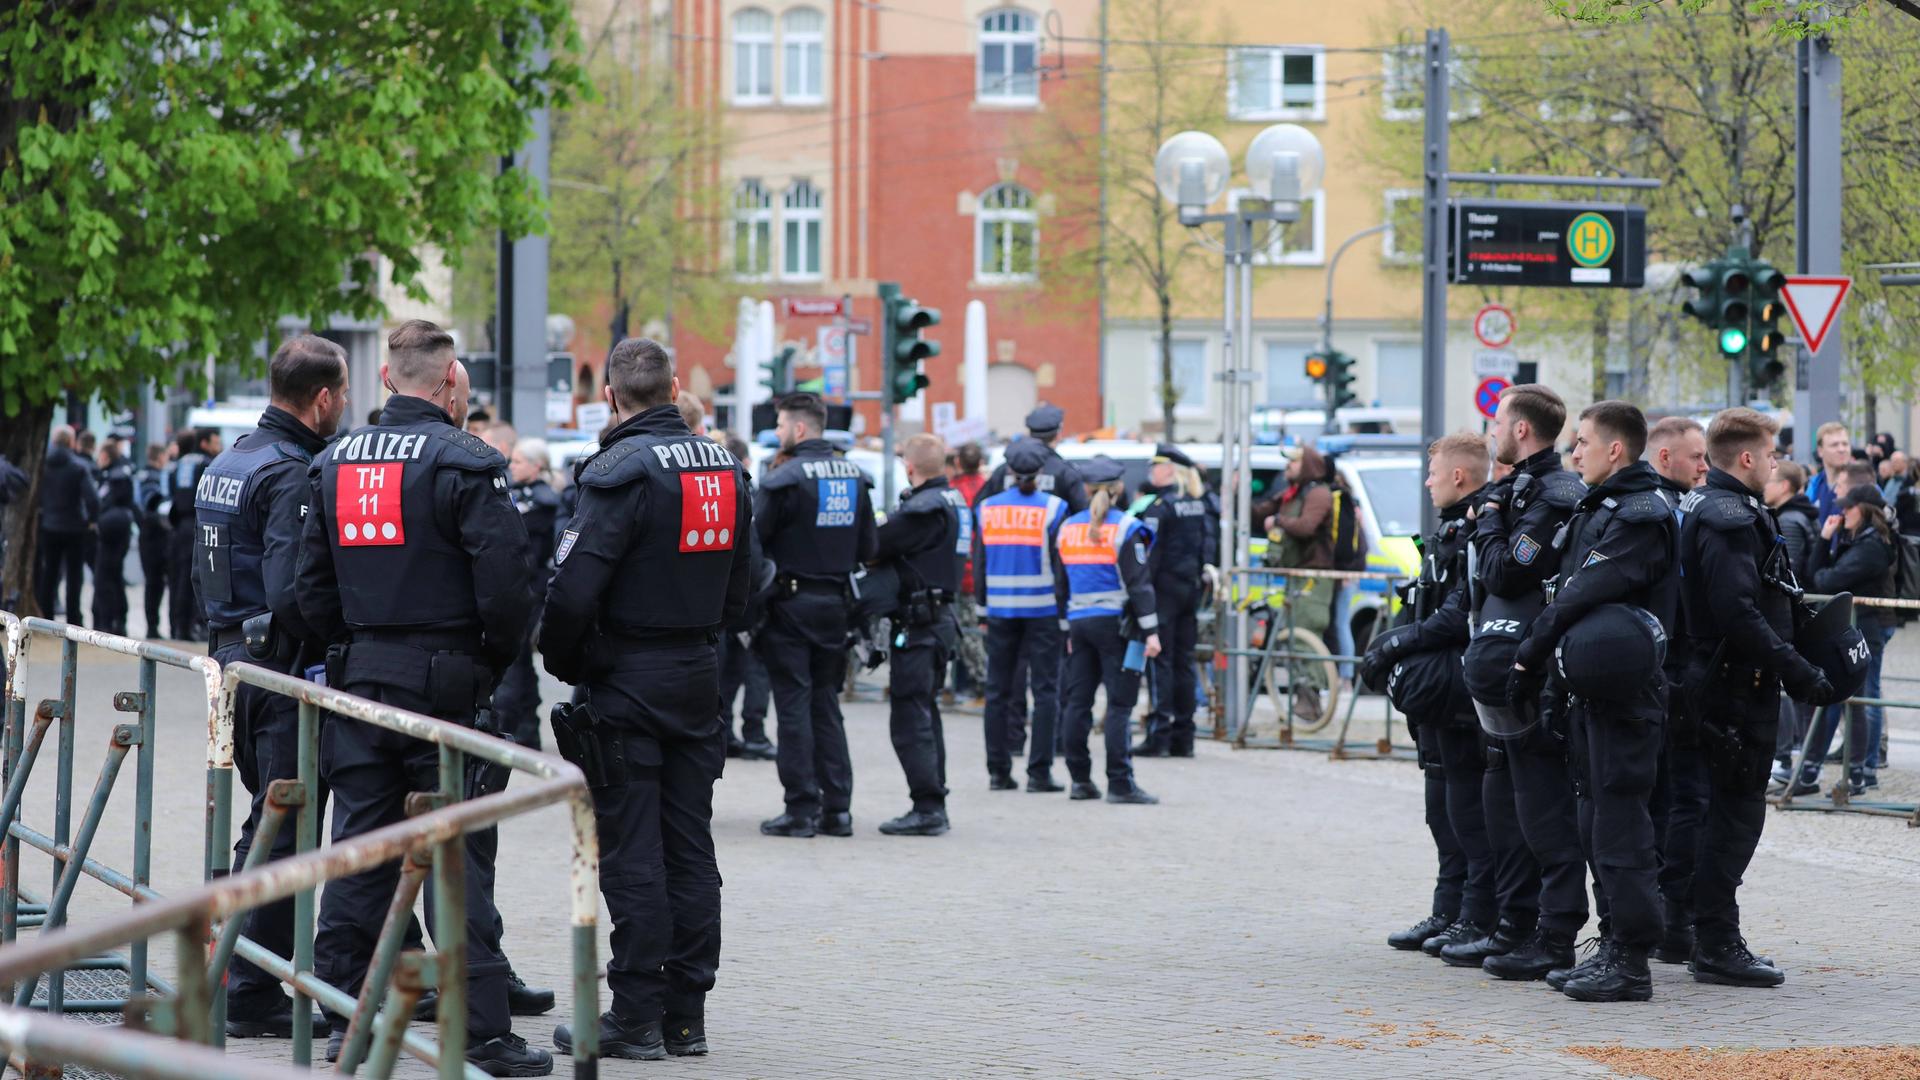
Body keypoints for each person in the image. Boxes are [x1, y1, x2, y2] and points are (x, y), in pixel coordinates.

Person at [295, 319, 549, 1076]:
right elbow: (507, 592)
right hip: (446, 682)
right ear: (450, 383)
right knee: (455, 854)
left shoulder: (334, 460)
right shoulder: (467, 461)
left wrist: (354, 645)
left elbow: (306, 587)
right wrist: (489, 664)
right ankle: (479, 1035)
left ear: (383, 379)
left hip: (362, 677)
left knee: (359, 849)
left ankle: (347, 1021)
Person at [541, 337, 751, 1061]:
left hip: (629, 678)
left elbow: (572, 591)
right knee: (689, 846)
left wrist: (569, 660)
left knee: (633, 850)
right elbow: (748, 581)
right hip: (697, 672)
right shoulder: (725, 466)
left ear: (610, 395)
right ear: (672, 388)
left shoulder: (619, 472)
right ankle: (685, 1014)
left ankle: (633, 1014)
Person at [192, 335, 351, 1038]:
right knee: (282, 831)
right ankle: (252, 989)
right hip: (278, 671)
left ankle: (243, 973)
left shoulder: (230, 460)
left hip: (232, 661)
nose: (344, 407)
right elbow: (293, 592)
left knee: (270, 824)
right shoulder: (291, 471)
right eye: (342, 395)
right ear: (323, 399)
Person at [1507, 402, 1676, 1002]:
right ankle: (1611, 944)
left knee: (1620, 827)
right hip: (1591, 690)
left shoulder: (1640, 513)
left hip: (1625, 694)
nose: (1572, 453)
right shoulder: (1600, 505)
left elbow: (1584, 590)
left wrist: (1530, 653)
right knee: (1595, 819)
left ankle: (1630, 961)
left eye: (1582, 443)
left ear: (1615, 450)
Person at [1678, 407, 1839, 990]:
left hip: (1722, 681)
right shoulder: (1726, 517)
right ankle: (1717, 941)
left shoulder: (1711, 506)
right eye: (1771, 454)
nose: (1776, 463)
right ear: (1747, 458)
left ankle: (1696, 931)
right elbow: (1737, 611)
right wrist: (1796, 670)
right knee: (1735, 816)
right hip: (1733, 688)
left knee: (1710, 813)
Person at [1459, 383, 1587, 981]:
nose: (1490, 430)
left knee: (1541, 804)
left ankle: (1554, 933)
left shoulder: (1554, 492)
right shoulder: (1519, 488)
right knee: (1506, 802)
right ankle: (1514, 924)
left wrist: (1488, 522)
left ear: (1521, 431)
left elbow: (1509, 570)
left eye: (1497, 421)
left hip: (1534, 670)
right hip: (1503, 660)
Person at [1367, 433, 1495, 957]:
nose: (1428, 481)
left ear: (1459, 476)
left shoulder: (1478, 529)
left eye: (1433, 472)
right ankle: (1448, 910)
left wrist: (1397, 642)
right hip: (1440, 695)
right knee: (1440, 805)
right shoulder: (1449, 529)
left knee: (1466, 806)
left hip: (1462, 689)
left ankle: (1476, 915)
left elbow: (1458, 614)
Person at [753, 392, 877, 838]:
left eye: (782, 425)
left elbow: (754, 544)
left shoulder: (785, 479)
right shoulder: (858, 477)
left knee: (792, 705)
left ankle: (801, 807)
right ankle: (838, 809)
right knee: (826, 704)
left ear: (799, 429)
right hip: (837, 607)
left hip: (790, 606)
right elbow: (868, 549)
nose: (780, 433)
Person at [869, 433, 965, 835]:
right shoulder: (951, 500)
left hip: (921, 626)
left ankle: (927, 807)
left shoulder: (922, 509)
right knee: (925, 713)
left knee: (911, 719)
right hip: (939, 622)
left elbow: (875, 544)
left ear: (910, 467)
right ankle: (932, 800)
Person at [1054, 456, 1161, 805]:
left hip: (1079, 624)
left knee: (1077, 703)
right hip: (1117, 626)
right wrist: (1152, 633)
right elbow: (1140, 585)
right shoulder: (1128, 528)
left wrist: (1066, 626)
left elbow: (1060, 586)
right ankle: (1120, 783)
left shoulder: (1067, 528)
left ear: (1085, 490)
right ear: (1117, 490)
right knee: (1119, 704)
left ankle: (1080, 780)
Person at [974, 439, 1070, 793]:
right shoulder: (1055, 508)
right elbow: (1061, 568)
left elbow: (980, 562)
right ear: (1041, 472)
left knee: (997, 690)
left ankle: (998, 772)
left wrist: (982, 606)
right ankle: (1039, 773)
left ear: (1010, 472)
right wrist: (1063, 611)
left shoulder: (986, 509)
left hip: (1000, 610)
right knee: (1045, 691)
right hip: (1043, 610)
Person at [1790, 484, 1896, 796]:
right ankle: (1820, 772)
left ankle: (1858, 775)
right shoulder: (1855, 539)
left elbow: (1826, 580)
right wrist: (1824, 539)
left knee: (1856, 700)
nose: (1842, 512)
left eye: (1848, 507)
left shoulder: (1873, 545)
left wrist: (1827, 556)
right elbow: (1815, 575)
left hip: (1865, 628)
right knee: (1839, 699)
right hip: (1848, 630)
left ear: (1864, 509)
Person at [1131, 444, 1219, 757]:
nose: (1152, 472)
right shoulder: (1197, 503)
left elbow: (1150, 558)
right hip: (1189, 589)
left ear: (1171, 470)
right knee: (1183, 662)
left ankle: (1159, 734)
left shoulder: (1161, 507)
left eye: (1157, 466)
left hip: (1164, 591)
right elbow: (1208, 546)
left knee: (1160, 662)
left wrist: (1141, 595)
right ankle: (1184, 736)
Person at [1263, 445, 1338, 722]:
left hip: (1314, 577)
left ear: (1305, 464)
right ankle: (1303, 699)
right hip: (1298, 575)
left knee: (1307, 633)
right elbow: (1262, 511)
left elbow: (1307, 526)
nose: (1287, 470)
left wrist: (1279, 521)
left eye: (1292, 464)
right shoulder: (1293, 492)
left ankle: (1311, 699)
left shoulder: (1317, 493)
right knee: (1296, 634)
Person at [494, 437, 559, 750]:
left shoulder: (544, 502)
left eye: (518, 461)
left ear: (536, 466)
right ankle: (527, 729)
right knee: (519, 665)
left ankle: (510, 728)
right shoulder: (520, 495)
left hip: (530, 591)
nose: (512, 466)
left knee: (515, 664)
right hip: (523, 589)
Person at [715, 433, 774, 761]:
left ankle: (728, 733)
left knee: (728, 672)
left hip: (719, 601)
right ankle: (752, 734)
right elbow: (752, 553)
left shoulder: (719, 490)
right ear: (746, 461)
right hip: (745, 602)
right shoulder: (746, 493)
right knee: (751, 669)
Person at [1763, 460, 1819, 787]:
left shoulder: (1790, 520)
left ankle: (1785, 758)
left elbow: (1789, 569)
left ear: (1784, 486)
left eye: (1771, 480)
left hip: (1792, 614)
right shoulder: (1799, 515)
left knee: (1785, 688)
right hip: (1799, 611)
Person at [34, 425, 99, 624]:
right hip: (74, 527)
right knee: (74, 576)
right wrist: (91, 520)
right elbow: (93, 499)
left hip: (49, 525)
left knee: (50, 573)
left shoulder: (42, 464)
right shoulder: (78, 466)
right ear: (71, 442)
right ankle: (73, 618)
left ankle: (47, 616)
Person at [978, 404, 1089, 513]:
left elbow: (979, 508)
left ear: (1030, 433)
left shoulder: (1004, 470)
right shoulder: (1066, 472)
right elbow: (1081, 515)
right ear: (1058, 435)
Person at [169, 427, 221, 640]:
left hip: (179, 523)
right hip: (197, 522)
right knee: (196, 577)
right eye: (216, 443)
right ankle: (193, 626)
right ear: (204, 443)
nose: (219, 447)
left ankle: (177, 626)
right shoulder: (207, 464)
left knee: (178, 578)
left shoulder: (178, 464)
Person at [947, 442, 989, 702]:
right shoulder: (989, 488)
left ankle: (983, 682)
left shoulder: (952, 492)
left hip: (959, 572)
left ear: (958, 463)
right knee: (975, 630)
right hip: (984, 571)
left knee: (967, 632)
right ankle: (972, 682)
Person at [87, 437, 136, 635]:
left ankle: (106, 621)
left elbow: (102, 502)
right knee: (114, 576)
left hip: (110, 533)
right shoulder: (121, 474)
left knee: (104, 577)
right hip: (119, 531)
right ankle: (117, 620)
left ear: (105, 456)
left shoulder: (111, 477)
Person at [135, 444, 172, 638]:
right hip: (156, 535)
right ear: (160, 457)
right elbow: (155, 504)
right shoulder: (155, 477)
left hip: (145, 534)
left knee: (152, 582)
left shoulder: (140, 474)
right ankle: (152, 627)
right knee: (155, 583)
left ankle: (152, 625)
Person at [1805, 421, 1851, 523]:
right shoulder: (1813, 486)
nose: (1841, 449)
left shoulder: (1863, 483)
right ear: (1820, 451)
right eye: (1834, 445)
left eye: (1845, 444)